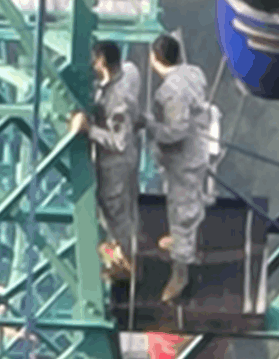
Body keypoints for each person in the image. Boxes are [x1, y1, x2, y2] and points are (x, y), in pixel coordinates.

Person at [140, 32, 216, 303]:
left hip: (183, 157)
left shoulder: (170, 92)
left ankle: (180, 272)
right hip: (198, 149)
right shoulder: (193, 73)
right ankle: (181, 240)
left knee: (181, 210)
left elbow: (176, 132)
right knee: (188, 199)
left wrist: (149, 126)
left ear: (155, 59)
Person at [69, 40, 141, 282]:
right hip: (119, 161)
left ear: (101, 61)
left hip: (115, 164)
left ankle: (125, 264)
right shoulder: (121, 79)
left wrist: (90, 130)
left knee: (114, 216)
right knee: (114, 216)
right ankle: (118, 259)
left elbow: (119, 141)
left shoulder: (117, 97)